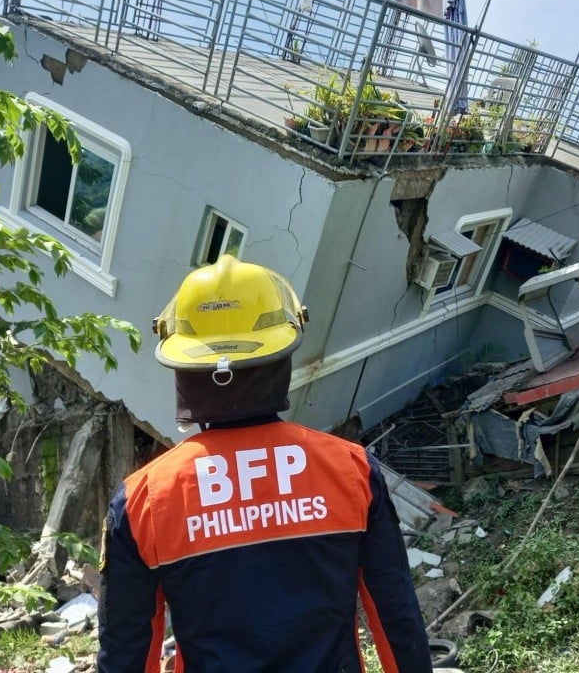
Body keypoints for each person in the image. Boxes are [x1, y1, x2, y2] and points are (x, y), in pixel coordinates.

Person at [96, 255, 432, 673]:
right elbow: (395, 617)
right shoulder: (351, 471)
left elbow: (126, 651)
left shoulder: (143, 501)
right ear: (282, 354)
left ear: (184, 367)